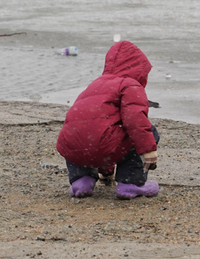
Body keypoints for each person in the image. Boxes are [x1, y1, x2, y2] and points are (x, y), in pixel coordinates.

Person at [56, 40, 159, 199]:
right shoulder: (129, 84)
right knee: (147, 131)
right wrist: (148, 150)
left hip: (72, 145)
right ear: (139, 70)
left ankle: (82, 180)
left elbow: (96, 130)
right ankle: (130, 183)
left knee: (80, 133)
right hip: (102, 143)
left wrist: (106, 170)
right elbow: (134, 120)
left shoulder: (95, 84)